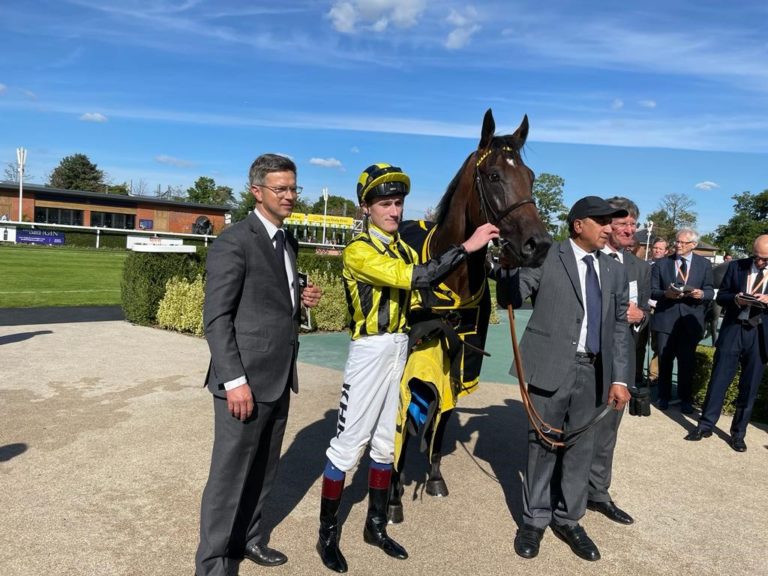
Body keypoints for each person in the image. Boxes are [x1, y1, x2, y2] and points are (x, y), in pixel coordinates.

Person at [316, 163, 498, 573]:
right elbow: (416, 277)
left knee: (386, 444)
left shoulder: (402, 246)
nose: (394, 211)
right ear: (366, 208)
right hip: (370, 352)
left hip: (401, 346)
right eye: (385, 204)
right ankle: (327, 534)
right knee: (348, 447)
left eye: (398, 203)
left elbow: (424, 295)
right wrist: (466, 247)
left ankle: (375, 526)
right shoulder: (359, 250)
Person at [195, 154, 323, 576]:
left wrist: (299, 298)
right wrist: (234, 381)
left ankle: (248, 539)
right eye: (280, 188)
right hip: (244, 382)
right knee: (229, 478)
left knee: (264, 470)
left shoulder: (287, 241)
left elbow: (271, 300)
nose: (289, 196)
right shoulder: (234, 241)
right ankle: (213, 566)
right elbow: (217, 319)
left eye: (293, 188)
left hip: (279, 376)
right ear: (257, 191)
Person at [498, 196, 632, 562]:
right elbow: (512, 296)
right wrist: (506, 268)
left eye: (612, 222)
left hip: (595, 371)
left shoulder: (615, 269)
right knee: (542, 446)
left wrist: (620, 378)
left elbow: (620, 327)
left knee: (581, 449)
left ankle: (569, 519)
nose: (609, 228)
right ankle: (534, 520)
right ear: (578, 225)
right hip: (549, 366)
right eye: (602, 221)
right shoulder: (547, 257)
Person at [588, 197, 650, 526]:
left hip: (619, 363)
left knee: (608, 431)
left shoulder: (640, 267)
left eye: (632, 224)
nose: (628, 230)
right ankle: (562, 488)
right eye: (621, 223)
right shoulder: (588, 258)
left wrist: (641, 316)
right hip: (584, 358)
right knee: (575, 427)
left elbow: (645, 310)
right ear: (606, 226)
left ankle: (598, 493)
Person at [685, 235, 768, 451]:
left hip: (760, 335)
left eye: (765, 259)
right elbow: (721, 296)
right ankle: (705, 425)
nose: (759, 262)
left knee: (749, 387)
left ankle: (738, 434)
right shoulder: (736, 266)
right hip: (733, 330)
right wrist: (735, 299)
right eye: (756, 257)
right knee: (718, 380)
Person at [651, 228, 714, 413]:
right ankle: (663, 395)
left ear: (693, 244)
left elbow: (710, 290)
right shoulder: (662, 263)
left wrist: (701, 294)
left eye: (682, 242)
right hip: (666, 319)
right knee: (665, 360)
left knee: (687, 362)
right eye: (676, 241)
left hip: (690, 319)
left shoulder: (704, 264)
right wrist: (666, 294)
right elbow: (652, 290)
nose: (678, 245)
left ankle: (685, 398)